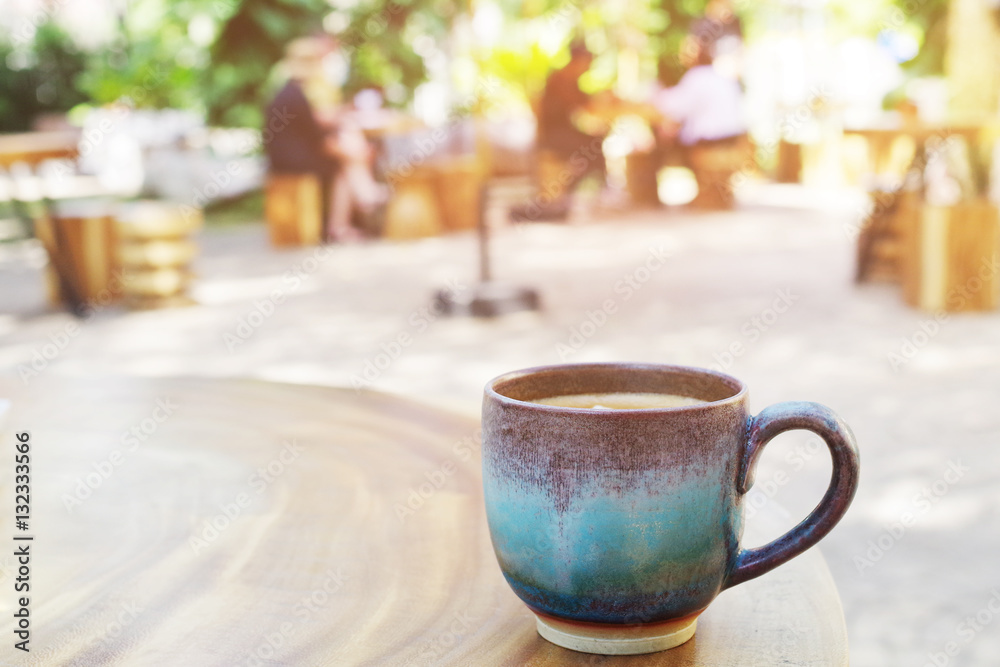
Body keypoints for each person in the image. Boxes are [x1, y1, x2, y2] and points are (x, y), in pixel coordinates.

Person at [264, 36, 385, 242]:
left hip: (283, 158)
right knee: (343, 166)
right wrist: (350, 152)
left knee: (348, 158)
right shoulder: (297, 96)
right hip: (293, 162)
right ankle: (343, 223)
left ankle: (363, 201)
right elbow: (317, 141)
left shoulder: (287, 91)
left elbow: (312, 136)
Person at [522, 42, 613, 220]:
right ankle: (595, 191)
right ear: (578, 61)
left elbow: (580, 105)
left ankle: (579, 193)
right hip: (554, 136)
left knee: (594, 143)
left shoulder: (569, 79)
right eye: (587, 63)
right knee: (592, 146)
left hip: (564, 133)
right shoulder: (560, 79)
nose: (587, 68)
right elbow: (580, 104)